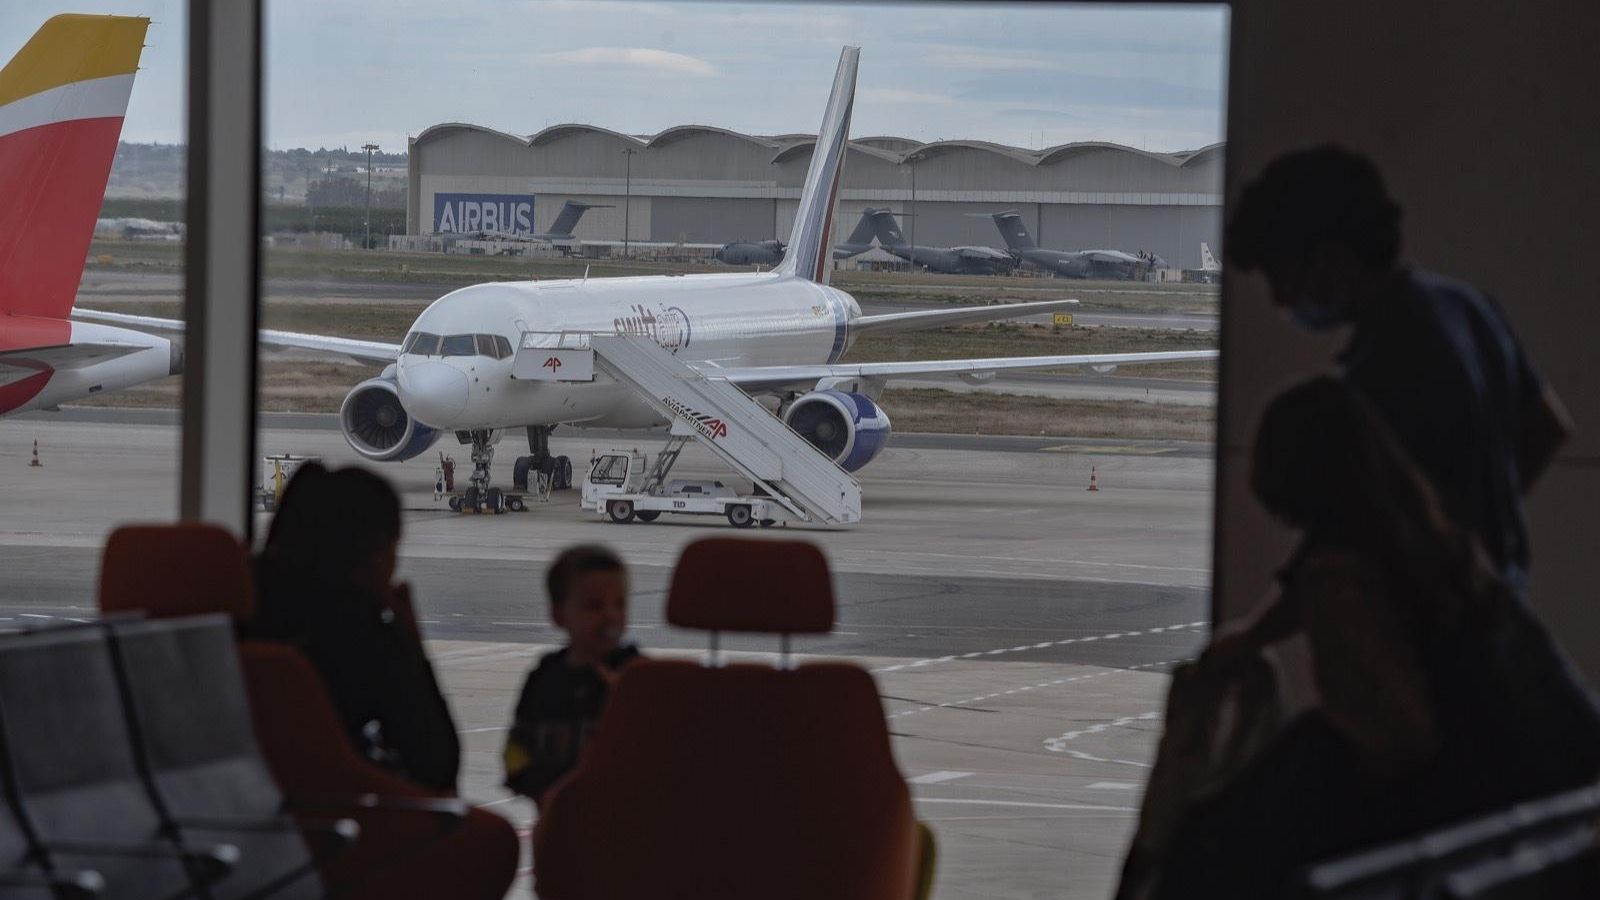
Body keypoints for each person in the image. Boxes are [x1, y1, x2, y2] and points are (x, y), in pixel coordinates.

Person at [1115, 378, 1600, 900]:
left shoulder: (1341, 583)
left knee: (1221, 845)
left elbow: (1402, 737)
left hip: (1466, 799)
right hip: (1558, 789)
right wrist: (1254, 637)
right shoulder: (1437, 541)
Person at [1225, 145, 1571, 591]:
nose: (1279, 300)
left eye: (1281, 277)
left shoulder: (1388, 359)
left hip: (1438, 617)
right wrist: (1480, 525)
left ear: (1332, 259)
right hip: (1499, 602)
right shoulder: (1465, 306)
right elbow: (1548, 427)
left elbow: (1353, 527)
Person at [250, 462, 462, 793]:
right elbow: (436, 763)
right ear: (376, 556)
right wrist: (408, 639)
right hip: (329, 806)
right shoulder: (361, 635)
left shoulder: (238, 610)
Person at [504, 544, 642, 808]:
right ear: (559, 615)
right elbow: (516, 748)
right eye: (594, 606)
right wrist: (539, 788)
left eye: (620, 604)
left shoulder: (640, 676)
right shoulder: (545, 678)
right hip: (558, 812)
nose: (610, 616)